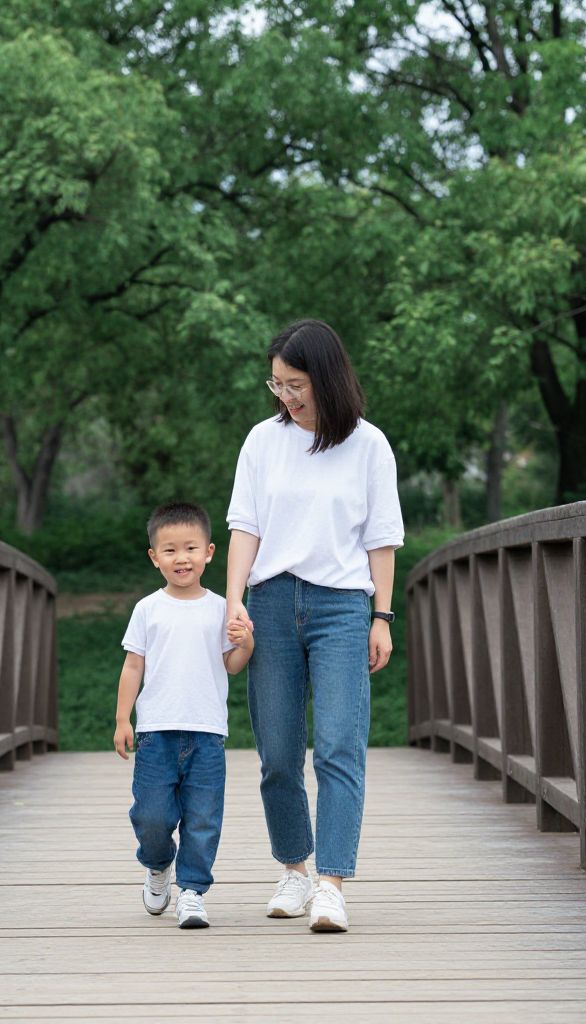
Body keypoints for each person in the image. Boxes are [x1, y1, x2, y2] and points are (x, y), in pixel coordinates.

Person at [225, 318, 404, 933]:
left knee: (337, 745)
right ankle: (294, 870)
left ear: (326, 377)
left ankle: (331, 883)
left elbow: (382, 539)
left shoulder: (369, 445)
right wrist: (234, 601)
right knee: (277, 753)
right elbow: (245, 527)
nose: (286, 396)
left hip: (342, 608)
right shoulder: (262, 441)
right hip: (270, 604)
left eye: (295, 384)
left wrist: (382, 616)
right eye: (276, 385)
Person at [114, 502, 254, 928]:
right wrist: (122, 719)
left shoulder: (221, 609)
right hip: (156, 732)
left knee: (203, 818)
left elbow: (232, 664)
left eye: (191, 548)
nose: (182, 558)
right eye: (170, 550)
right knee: (151, 815)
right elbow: (133, 666)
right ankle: (158, 865)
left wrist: (246, 643)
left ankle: (192, 891)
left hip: (207, 733)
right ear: (154, 557)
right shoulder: (148, 609)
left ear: (209, 552)